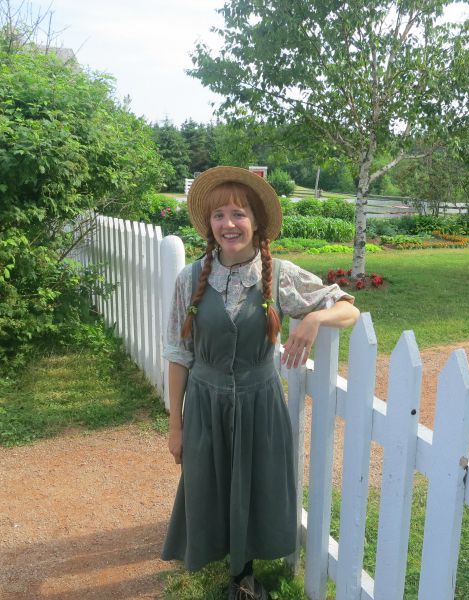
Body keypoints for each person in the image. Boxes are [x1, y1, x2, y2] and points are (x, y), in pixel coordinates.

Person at [161, 166, 360, 599]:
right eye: (218, 216)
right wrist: (175, 425)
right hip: (207, 402)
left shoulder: (279, 274)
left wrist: (313, 318)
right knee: (210, 481)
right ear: (209, 225)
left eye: (238, 214)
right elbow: (179, 357)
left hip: (259, 400)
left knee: (254, 482)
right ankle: (229, 565)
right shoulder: (189, 278)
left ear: (255, 222)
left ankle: (244, 577)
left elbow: (348, 308)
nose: (228, 224)